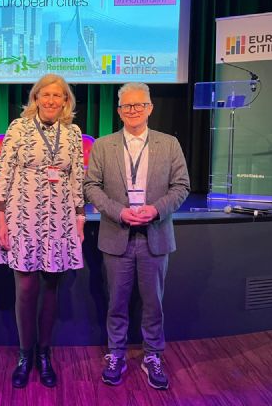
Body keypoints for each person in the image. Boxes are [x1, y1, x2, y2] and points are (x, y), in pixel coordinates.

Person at [83, 82, 190, 390]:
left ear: (150, 108)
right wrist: (119, 211)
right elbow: (91, 186)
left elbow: (181, 186)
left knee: (154, 304)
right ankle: (116, 354)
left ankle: (153, 355)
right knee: (116, 302)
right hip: (117, 235)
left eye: (139, 104)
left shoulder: (169, 144)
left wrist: (156, 210)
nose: (133, 110)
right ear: (119, 111)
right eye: (127, 106)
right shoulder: (103, 145)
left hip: (154, 235)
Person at [0, 73, 85, 389]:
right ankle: (25, 355)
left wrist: (79, 217)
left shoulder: (73, 133)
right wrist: (1, 218)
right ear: (35, 98)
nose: (51, 100)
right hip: (23, 217)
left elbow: (76, 177)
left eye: (57, 95)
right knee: (26, 288)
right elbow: (3, 173)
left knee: (50, 289)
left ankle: (44, 355)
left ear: (65, 101)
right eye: (45, 94)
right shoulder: (18, 128)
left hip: (59, 220)